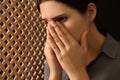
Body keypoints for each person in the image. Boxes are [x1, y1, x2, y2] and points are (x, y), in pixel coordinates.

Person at [37, 0, 120, 80]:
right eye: (46, 22)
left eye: (61, 19)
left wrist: (78, 73)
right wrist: (55, 72)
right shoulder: (54, 59)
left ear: (90, 13)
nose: (52, 31)